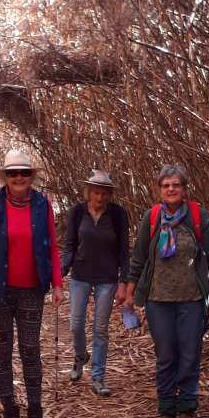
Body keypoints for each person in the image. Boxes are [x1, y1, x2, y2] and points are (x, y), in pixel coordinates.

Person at [123, 164, 209, 418]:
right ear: (160, 189)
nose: (171, 189)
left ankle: (187, 410)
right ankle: (166, 410)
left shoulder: (198, 217)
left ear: (184, 189)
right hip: (158, 299)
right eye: (166, 185)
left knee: (190, 354)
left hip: (191, 299)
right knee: (166, 355)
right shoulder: (152, 217)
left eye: (176, 185)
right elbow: (140, 256)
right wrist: (131, 291)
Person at [0, 149, 63, 418]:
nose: (19, 178)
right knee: (1, 352)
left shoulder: (42, 205)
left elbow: (52, 246)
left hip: (32, 290)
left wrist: (58, 284)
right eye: (13, 173)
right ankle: (10, 410)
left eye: (24, 173)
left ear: (31, 176)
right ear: (7, 177)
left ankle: (35, 412)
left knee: (30, 349)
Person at [61, 169, 130, 397]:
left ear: (109, 195)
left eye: (103, 193)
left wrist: (123, 282)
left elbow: (123, 252)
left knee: (100, 329)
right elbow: (70, 245)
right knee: (75, 324)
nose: (99, 198)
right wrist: (59, 273)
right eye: (95, 193)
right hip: (80, 274)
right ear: (88, 192)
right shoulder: (78, 212)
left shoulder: (118, 214)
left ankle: (98, 377)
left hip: (107, 278)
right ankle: (80, 356)